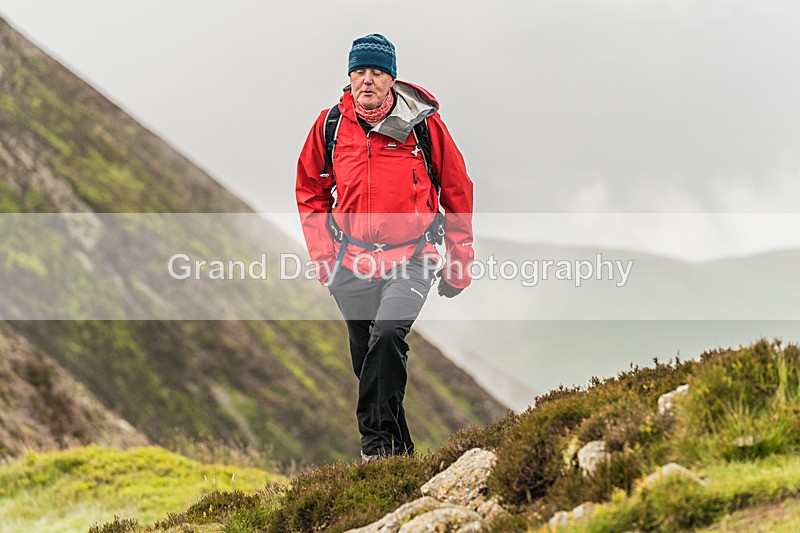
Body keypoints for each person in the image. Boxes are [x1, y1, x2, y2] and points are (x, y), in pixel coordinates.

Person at [296, 33, 473, 461]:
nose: (367, 80)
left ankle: (374, 449)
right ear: (349, 77)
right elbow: (310, 193)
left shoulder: (424, 125)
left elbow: (457, 192)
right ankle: (400, 456)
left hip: (413, 257)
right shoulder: (330, 126)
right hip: (351, 262)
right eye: (359, 72)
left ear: (392, 78)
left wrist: (459, 262)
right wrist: (326, 262)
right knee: (369, 364)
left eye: (376, 72)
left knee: (389, 334)